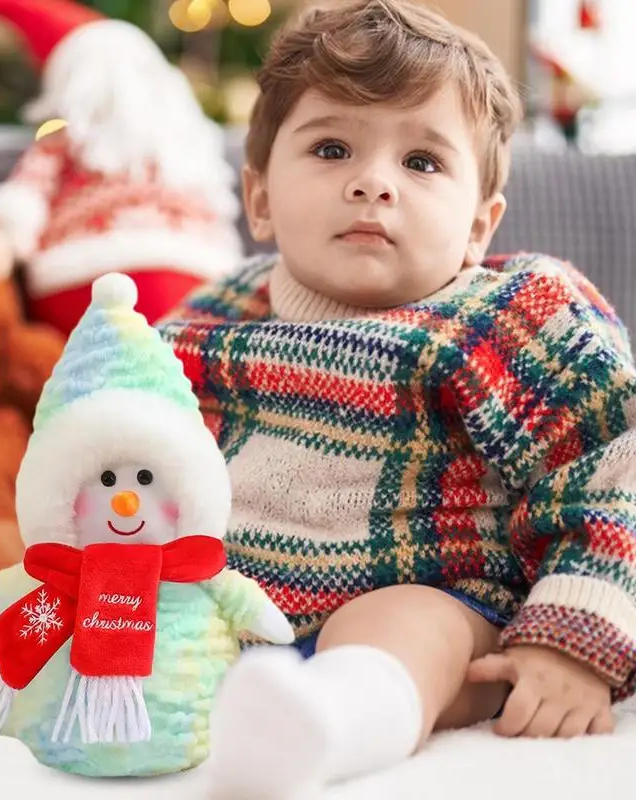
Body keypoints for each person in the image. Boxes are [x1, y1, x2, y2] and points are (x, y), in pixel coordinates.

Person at [153, 0, 636, 796]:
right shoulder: (203, 323)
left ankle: (330, 725)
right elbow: (121, 451)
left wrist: (572, 636)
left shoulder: (511, 317)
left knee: (411, 622)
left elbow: (612, 470)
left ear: (480, 224)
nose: (373, 183)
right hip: (226, 614)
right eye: (333, 147)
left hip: (439, 610)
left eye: (422, 163)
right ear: (262, 196)